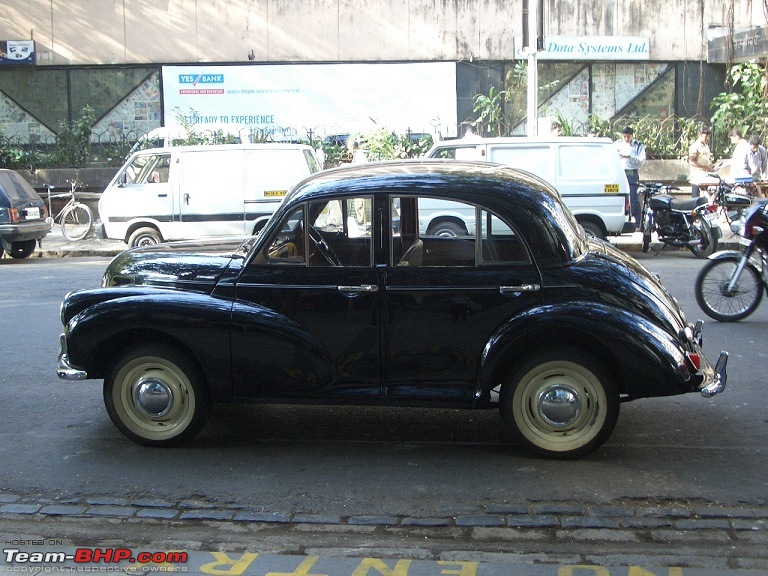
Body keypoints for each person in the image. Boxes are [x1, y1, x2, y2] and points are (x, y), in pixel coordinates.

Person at [614, 126, 645, 230]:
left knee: (633, 197)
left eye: (628, 137)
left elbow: (641, 160)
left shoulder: (638, 145)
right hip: (620, 172)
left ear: (632, 136)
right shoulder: (617, 144)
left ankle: (637, 223)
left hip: (631, 172)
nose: (626, 139)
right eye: (625, 137)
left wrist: (629, 157)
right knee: (618, 197)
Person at [688, 126, 714, 198]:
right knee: (696, 199)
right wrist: (704, 167)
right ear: (700, 135)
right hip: (697, 176)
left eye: (708, 137)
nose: (707, 138)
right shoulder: (695, 146)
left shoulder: (706, 146)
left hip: (705, 176)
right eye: (706, 136)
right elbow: (691, 162)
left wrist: (710, 166)